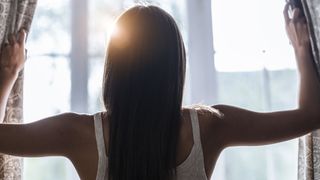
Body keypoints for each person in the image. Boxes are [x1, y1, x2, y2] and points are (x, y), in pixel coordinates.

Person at [0, 3, 319, 180]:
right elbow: (311, 116)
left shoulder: (78, 133)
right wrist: (302, 47)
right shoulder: (209, 126)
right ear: (175, 67)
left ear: (114, 69)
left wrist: (9, 73)